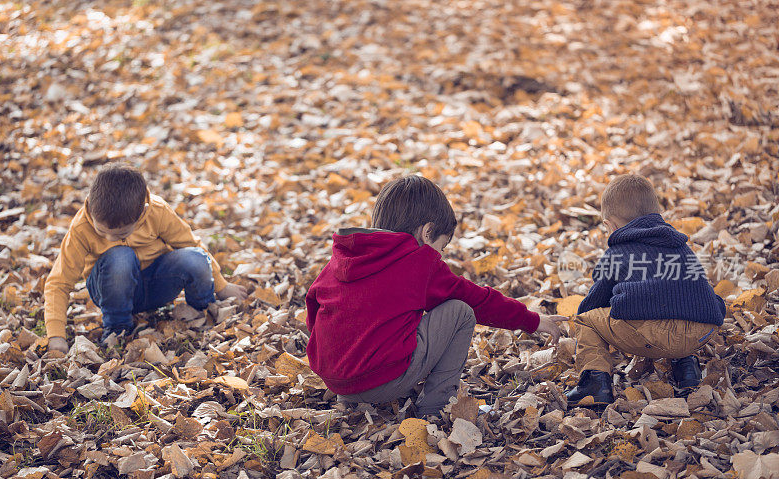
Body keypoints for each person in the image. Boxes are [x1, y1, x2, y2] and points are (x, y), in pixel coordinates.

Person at [305, 174, 566, 416]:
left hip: (336, 380)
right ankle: (438, 404)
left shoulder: (343, 257)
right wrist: (532, 320)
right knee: (461, 312)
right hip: (382, 381)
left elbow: (313, 306)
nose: (439, 256)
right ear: (427, 231)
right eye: (441, 247)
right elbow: (476, 300)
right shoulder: (418, 261)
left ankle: (352, 395)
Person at [44, 165, 248, 353]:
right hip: (111, 289)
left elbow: (190, 245)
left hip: (157, 284)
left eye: (120, 234)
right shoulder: (81, 228)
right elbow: (59, 282)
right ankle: (118, 328)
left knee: (195, 257)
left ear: (142, 211)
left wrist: (221, 286)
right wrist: (56, 336)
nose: (108, 238)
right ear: (90, 205)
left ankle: (201, 312)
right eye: (101, 231)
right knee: (119, 256)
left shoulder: (157, 211)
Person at [566, 173, 726, 405]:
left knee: (586, 319)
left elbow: (595, 302)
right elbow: (699, 287)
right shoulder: (679, 245)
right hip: (700, 332)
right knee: (680, 302)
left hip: (649, 335)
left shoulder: (617, 252)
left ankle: (595, 384)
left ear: (610, 225)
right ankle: (687, 370)